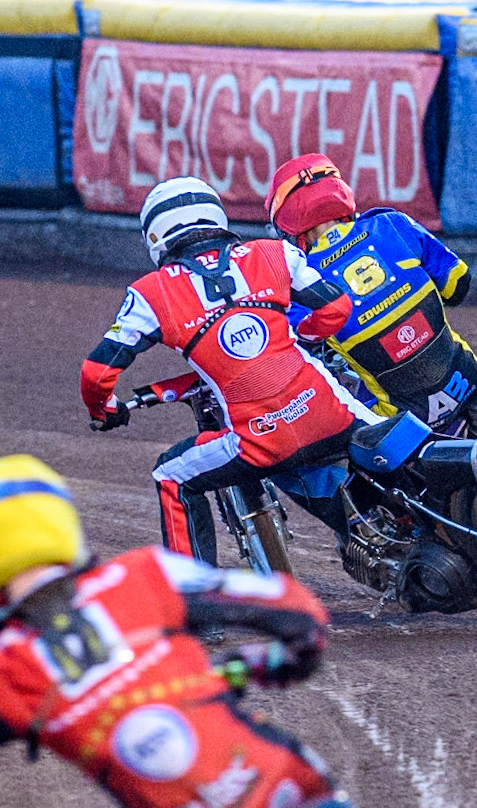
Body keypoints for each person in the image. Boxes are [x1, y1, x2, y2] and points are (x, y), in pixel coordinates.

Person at [0, 454, 355, 808]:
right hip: (285, 784)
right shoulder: (146, 574)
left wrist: (18, 720)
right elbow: (299, 613)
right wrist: (249, 669)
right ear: (60, 524)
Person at [81, 177, 379, 563]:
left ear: (154, 236)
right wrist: (299, 337)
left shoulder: (152, 293)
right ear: (216, 216)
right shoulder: (274, 253)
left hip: (259, 441)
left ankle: (198, 604)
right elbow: (336, 309)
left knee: (171, 476)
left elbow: (96, 372)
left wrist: (103, 410)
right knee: (404, 441)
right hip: (334, 416)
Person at [264, 154, 477, 432]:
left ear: (287, 223)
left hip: (409, 422)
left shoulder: (303, 278)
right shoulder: (390, 224)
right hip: (471, 383)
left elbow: (296, 346)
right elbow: (458, 284)